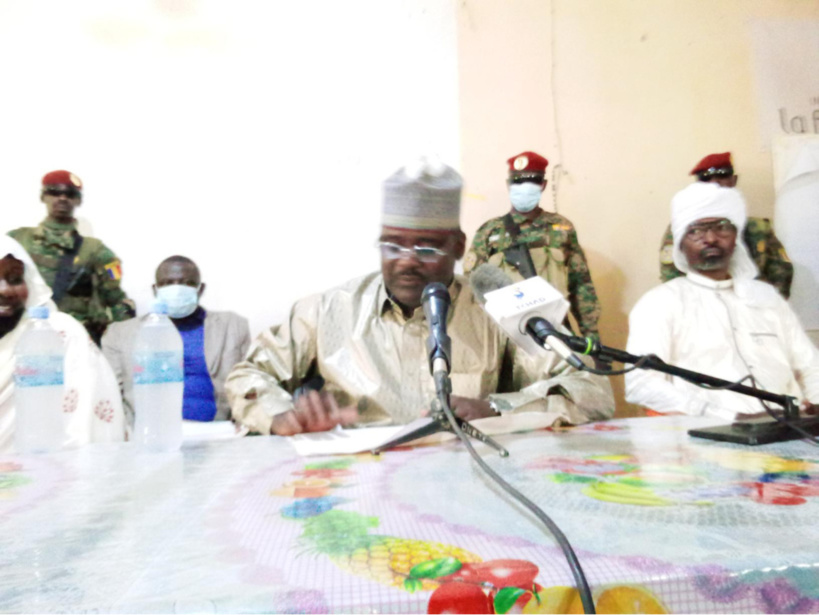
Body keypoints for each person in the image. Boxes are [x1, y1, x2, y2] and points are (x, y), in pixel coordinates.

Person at [226, 158, 614, 436]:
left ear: (458, 247)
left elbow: (592, 389)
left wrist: (496, 408)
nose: (407, 261)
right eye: (393, 245)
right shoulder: (328, 309)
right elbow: (247, 375)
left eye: (427, 248)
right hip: (360, 482)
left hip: (470, 479)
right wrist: (280, 415)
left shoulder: (498, 304)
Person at [626, 182, 819, 420]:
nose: (710, 238)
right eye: (696, 230)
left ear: (736, 237)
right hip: (709, 431)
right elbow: (641, 385)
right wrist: (728, 416)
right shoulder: (659, 303)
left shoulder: (766, 297)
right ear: (680, 242)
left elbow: (810, 365)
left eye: (722, 228)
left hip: (791, 429)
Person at [0, 236, 125, 453]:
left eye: (15, 279)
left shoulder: (59, 334)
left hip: (45, 468)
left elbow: (86, 432)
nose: (6, 290)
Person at [102, 256, 251, 431]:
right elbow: (110, 395)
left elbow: (249, 384)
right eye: (167, 283)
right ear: (155, 290)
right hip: (148, 434)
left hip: (217, 432)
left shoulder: (232, 326)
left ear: (200, 289)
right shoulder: (120, 334)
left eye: (187, 283)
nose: (177, 289)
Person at [464, 151, 601, 338]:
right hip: (507, 335)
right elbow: (472, 288)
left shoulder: (561, 228)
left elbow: (581, 285)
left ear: (543, 184)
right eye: (518, 181)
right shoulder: (490, 232)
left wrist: (591, 336)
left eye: (532, 181)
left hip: (555, 330)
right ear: (508, 185)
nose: (524, 187)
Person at [8, 170, 135, 345]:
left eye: (70, 194)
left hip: (73, 342)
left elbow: (117, 301)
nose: (62, 198)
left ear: (78, 200)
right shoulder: (17, 240)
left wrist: (122, 343)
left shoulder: (96, 251)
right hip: (20, 337)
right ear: (43, 196)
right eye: (54, 192)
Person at [658, 152, 793, 298]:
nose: (715, 183)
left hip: (753, 303)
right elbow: (671, 275)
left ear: (734, 180)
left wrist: (768, 305)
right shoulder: (684, 229)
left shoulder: (758, 227)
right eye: (706, 178)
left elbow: (781, 273)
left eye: (722, 176)